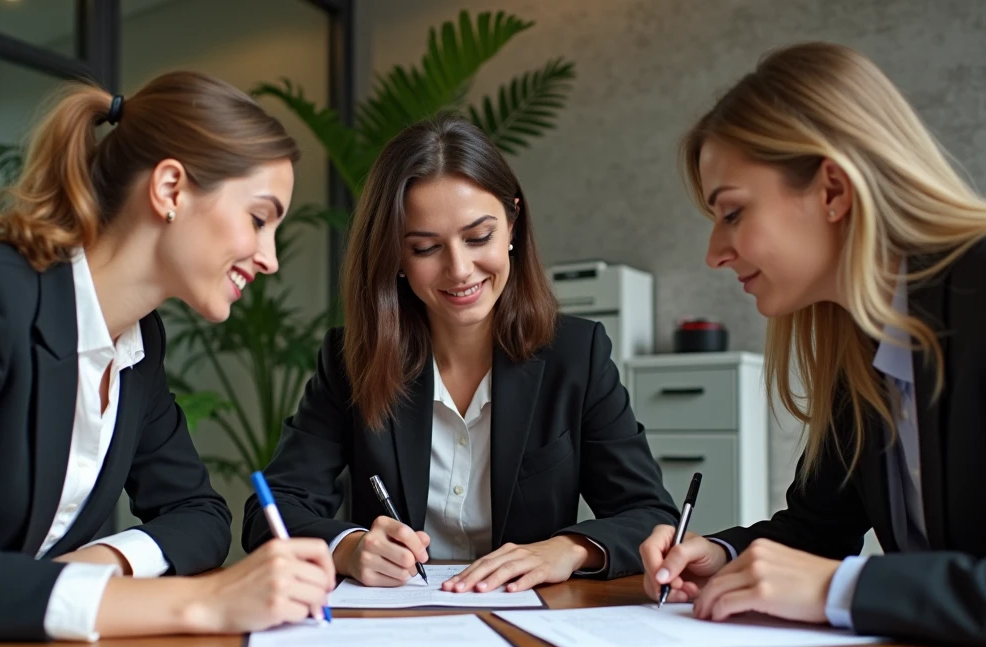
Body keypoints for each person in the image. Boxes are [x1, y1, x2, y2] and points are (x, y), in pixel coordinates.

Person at [0, 71, 334, 641]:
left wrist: (91, 571)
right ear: (170, 189)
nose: (270, 258)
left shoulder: (137, 345)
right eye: (259, 220)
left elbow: (201, 516)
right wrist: (202, 602)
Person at [639, 42, 986, 647]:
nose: (715, 253)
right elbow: (818, 528)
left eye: (732, 212)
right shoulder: (861, 346)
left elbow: (836, 576)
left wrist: (846, 587)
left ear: (833, 190)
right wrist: (725, 556)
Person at [244, 116, 677, 593]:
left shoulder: (577, 354)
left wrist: (567, 549)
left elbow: (649, 514)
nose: (459, 269)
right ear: (396, 259)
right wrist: (347, 547)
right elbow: (272, 509)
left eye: (478, 238)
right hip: (393, 629)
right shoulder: (352, 361)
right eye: (426, 248)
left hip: (530, 621)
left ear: (512, 223)